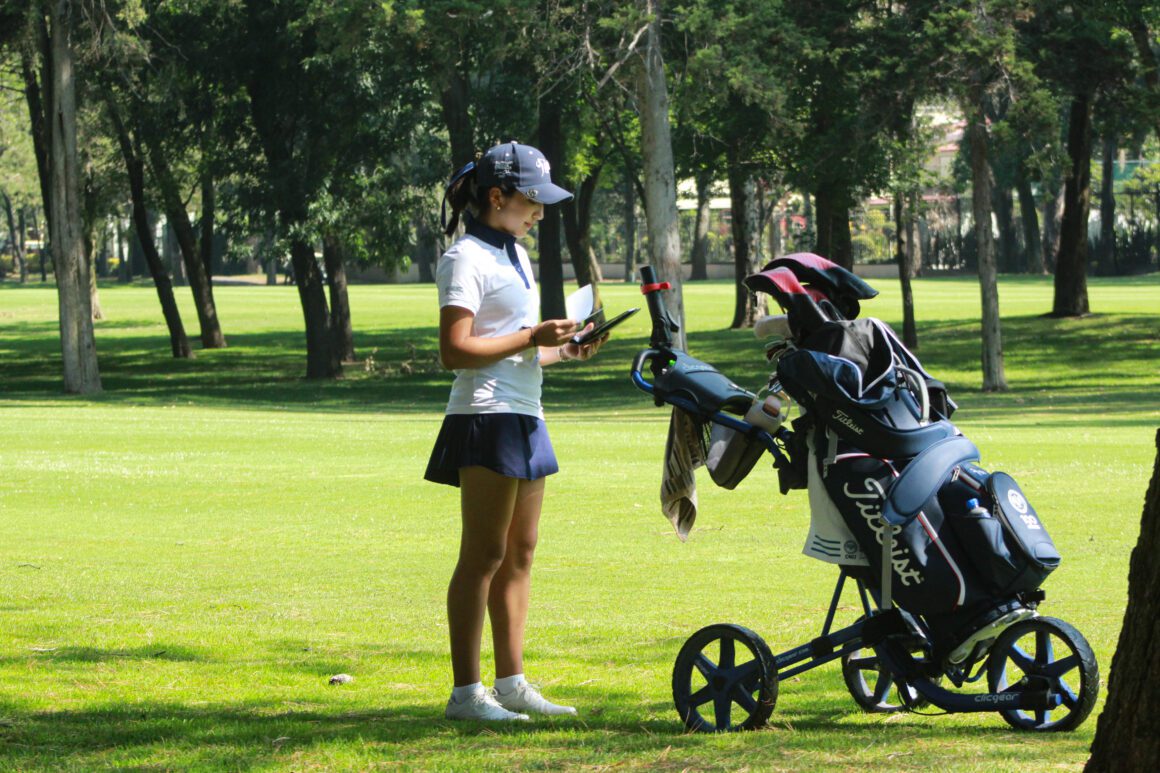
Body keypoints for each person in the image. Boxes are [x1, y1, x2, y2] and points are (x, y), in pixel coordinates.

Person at [425, 141, 606, 721]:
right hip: (485, 416)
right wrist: (532, 337)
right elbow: (456, 350)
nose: (540, 213)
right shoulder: (464, 258)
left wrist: (565, 350)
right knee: (483, 554)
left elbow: (520, 349)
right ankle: (465, 694)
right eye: (532, 200)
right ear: (497, 197)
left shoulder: (517, 256)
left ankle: (512, 684)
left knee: (520, 554)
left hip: (526, 412)